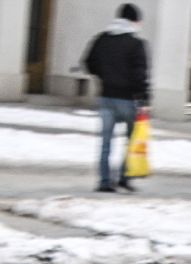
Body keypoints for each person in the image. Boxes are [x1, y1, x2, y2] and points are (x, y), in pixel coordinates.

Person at [83, 3, 150, 192]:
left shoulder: (102, 39)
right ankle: (124, 177)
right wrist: (144, 99)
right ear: (133, 21)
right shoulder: (136, 44)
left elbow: (89, 62)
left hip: (106, 97)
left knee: (105, 143)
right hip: (128, 100)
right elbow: (140, 74)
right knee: (131, 141)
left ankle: (104, 182)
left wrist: (103, 76)